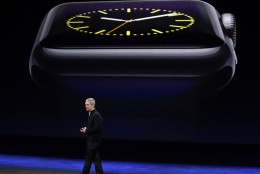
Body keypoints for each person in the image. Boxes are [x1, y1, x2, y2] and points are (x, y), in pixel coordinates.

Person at [80, 98, 104, 174]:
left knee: (88, 161)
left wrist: (86, 130)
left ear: (92, 105)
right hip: (92, 141)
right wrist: (87, 129)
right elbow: (93, 127)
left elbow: (97, 129)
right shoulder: (92, 114)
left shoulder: (96, 115)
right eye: (85, 105)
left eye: (87, 105)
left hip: (93, 142)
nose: (85, 106)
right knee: (96, 161)